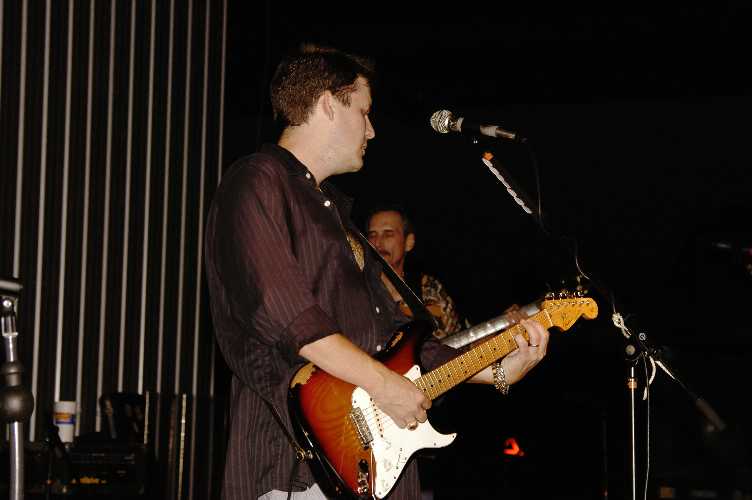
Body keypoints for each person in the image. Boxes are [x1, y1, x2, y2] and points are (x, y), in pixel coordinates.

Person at [204, 44, 549, 500]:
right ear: (328, 103)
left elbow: (401, 344)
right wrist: (383, 384)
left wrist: (498, 369)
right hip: (298, 466)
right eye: (364, 112)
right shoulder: (256, 181)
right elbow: (287, 316)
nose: (371, 129)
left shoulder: (338, 215)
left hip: (375, 468)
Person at [366, 205, 527, 340]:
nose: (378, 242)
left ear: (409, 242)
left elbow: (457, 347)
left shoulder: (429, 288)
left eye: (388, 234)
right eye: (372, 235)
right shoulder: (356, 287)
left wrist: (501, 331)